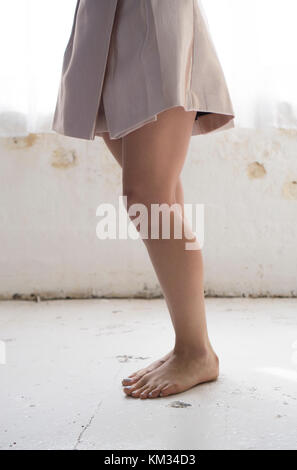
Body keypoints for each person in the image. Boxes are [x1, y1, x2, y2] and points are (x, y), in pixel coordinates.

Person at [52, 0, 235, 399]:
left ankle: (196, 350)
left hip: (153, 12)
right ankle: (189, 345)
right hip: (102, 18)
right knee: (160, 195)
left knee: (147, 197)